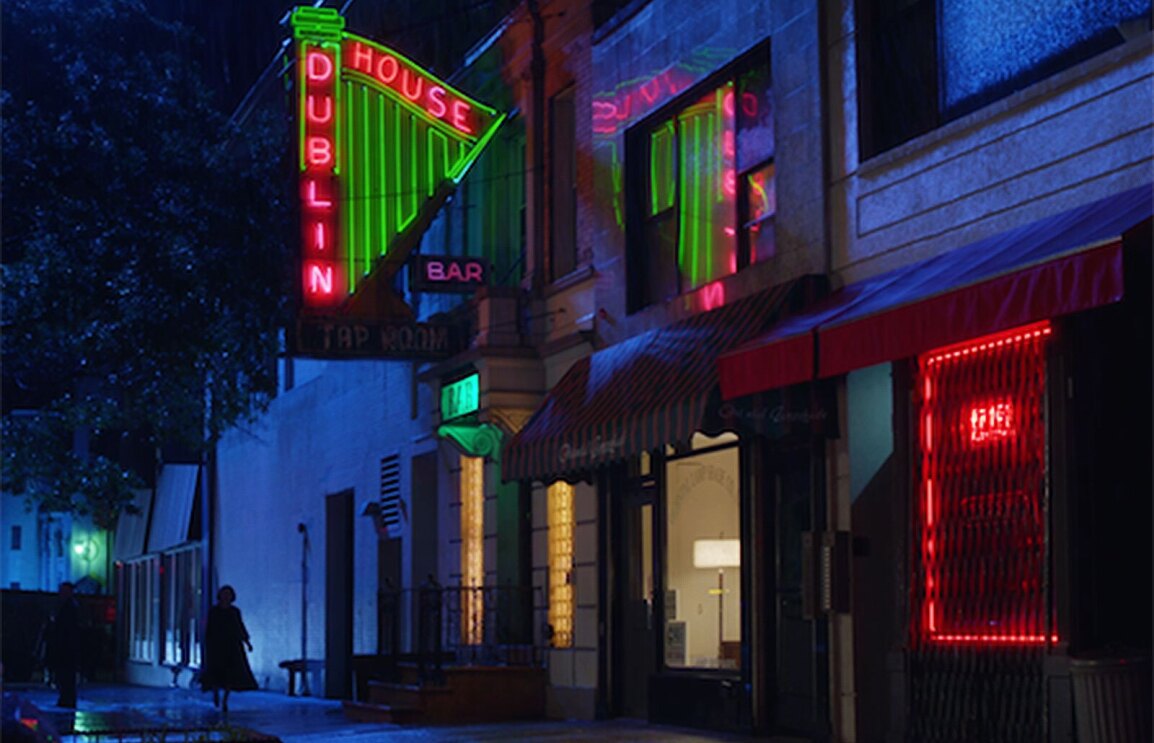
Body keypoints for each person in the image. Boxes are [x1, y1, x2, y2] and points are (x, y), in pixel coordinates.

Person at [200, 585, 258, 712]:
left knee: (230, 675)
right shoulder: (214, 611)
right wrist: (207, 644)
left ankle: (224, 700)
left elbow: (239, 626)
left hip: (232, 646)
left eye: (228, 595)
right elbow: (209, 629)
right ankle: (215, 692)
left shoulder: (234, 612)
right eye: (224, 595)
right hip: (217, 646)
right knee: (216, 672)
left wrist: (247, 642)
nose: (226, 597)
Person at [44, 581, 81, 709]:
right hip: (66, 649)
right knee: (65, 676)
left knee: (66, 676)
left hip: (65, 649)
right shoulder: (69, 606)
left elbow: (66, 629)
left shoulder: (67, 608)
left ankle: (67, 699)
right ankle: (66, 698)